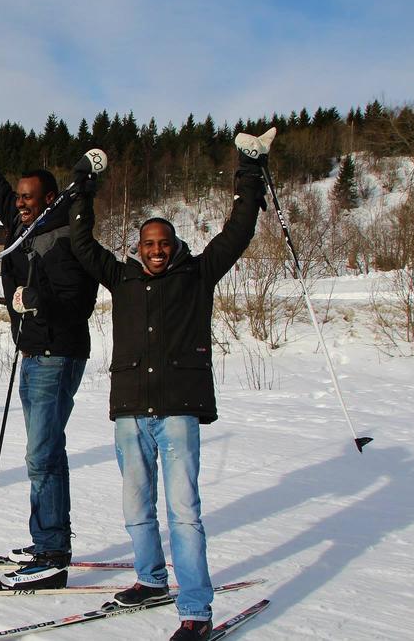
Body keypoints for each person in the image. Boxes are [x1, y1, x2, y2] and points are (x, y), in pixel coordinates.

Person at [68, 128, 275, 641]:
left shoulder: (198, 274)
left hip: (179, 410)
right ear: (137, 249)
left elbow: (239, 232)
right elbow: (79, 241)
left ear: (175, 245)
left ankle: (195, 610)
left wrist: (250, 171)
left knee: (184, 513)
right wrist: (84, 185)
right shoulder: (122, 278)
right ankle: (150, 580)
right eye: (149, 245)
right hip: (131, 411)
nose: (157, 251)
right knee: (136, 507)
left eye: (164, 244)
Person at [0, 110, 100, 590]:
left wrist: (34, 300)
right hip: (33, 354)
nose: (20, 203)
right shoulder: (24, 223)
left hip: (57, 353)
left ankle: (53, 554)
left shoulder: (67, 235)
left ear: (50, 198)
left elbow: (79, 303)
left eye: (29, 198)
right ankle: (46, 538)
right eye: (20, 198)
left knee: (42, 453)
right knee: (44, 452)